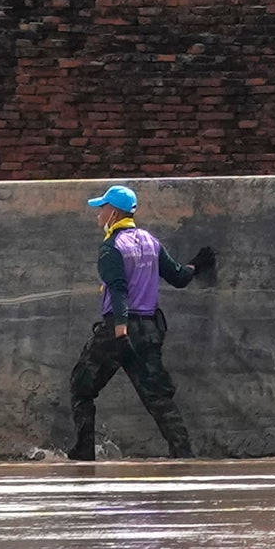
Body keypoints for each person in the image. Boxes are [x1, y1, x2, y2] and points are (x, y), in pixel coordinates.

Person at [67, 184, 193, 462]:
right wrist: (197, 265)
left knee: (81, 386)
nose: (99, 214)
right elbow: (179, 277)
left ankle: (84, 452)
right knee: (158, 397)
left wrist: (121, 333)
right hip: (148, 331)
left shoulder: (110, 248)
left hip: (117, 331)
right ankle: (183, 455)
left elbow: (119, 290)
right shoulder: (151, 241)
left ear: (113, 212)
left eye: (102, 208)